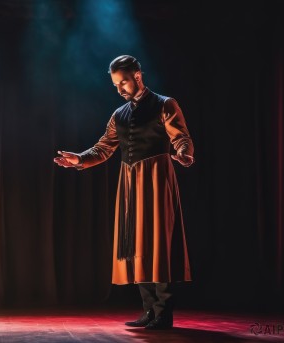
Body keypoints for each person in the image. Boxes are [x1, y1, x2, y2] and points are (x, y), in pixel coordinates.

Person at [54, 55, 194, 330]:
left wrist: (184, 153)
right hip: (129, 181)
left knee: (158, 243)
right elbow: (103, 148)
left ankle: (163, 313)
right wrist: (79, 159)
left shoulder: (165, 104)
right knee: (135, 242)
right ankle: (149, 310)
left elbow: (181, 137)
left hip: (156, 178)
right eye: (116, 84)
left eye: (124, 82)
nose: (120, 89)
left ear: (138, 76)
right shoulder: (119, 114)